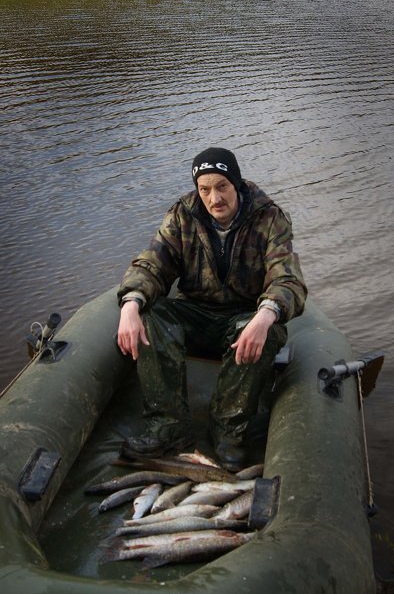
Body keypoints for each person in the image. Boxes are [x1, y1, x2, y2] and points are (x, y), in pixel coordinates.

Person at [116, 147, 307, 471]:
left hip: (243, 316)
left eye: (222, 186)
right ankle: (168, 428)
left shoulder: (269, 218)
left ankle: (228, 433)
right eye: (205, 189)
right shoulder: (182, 215)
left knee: (269, 329)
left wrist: (264, 316)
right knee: (150, 315)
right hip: (195, 312)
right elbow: (152, 264)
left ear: (236, 185)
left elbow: (288, 279)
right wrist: (130, 304)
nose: (214, 198)